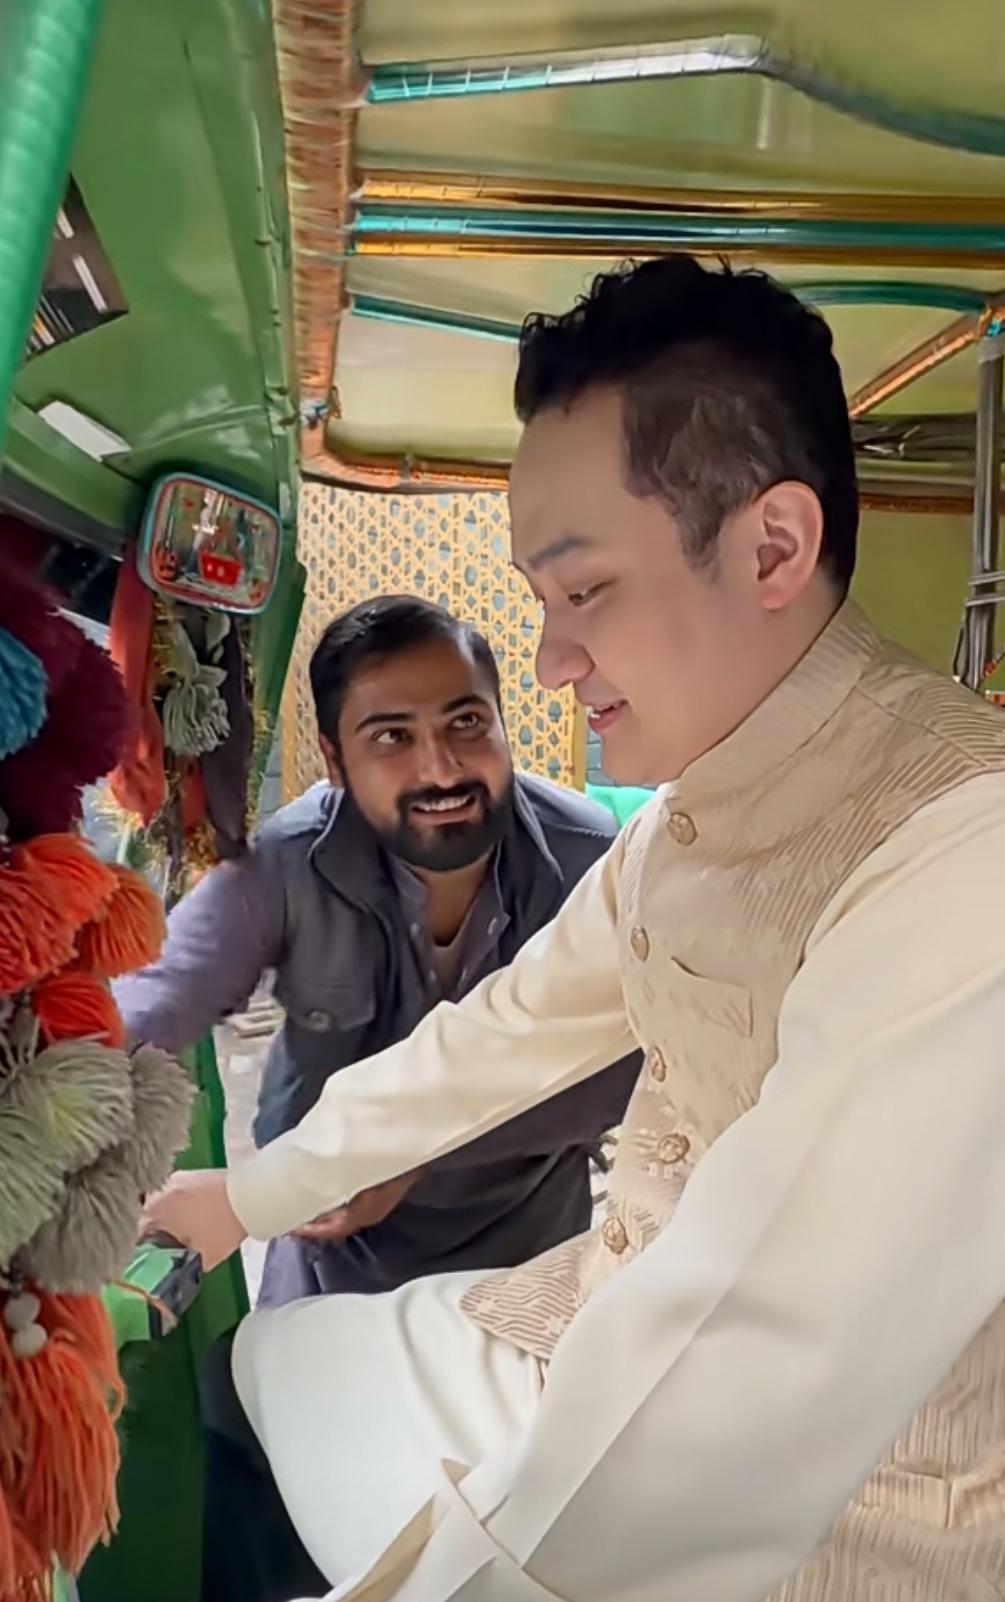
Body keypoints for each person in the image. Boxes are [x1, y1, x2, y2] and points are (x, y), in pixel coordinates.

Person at [143, 258, 1005, 1602]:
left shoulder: (1001, 858)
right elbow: (499, 1036)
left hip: (855, 1538)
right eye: (541, 601)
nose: (549, 661)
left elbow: (750, 1378)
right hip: (593, 1342)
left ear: (772, 549)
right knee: (273, 1365)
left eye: (584, 592)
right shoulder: (683, 826)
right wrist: (249, 1196)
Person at [118, 595, 639, 1601]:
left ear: (505, 720)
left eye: (466, 723)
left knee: (490, 1545)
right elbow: (148, 1010)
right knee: (285, 1499)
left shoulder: (591, 863)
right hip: (331, 1277)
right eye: (391, 737)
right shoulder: (283, 866)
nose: (441, 768)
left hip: (520, 1284)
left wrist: (410, 1156)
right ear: (332, 757)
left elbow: (629, 1070)